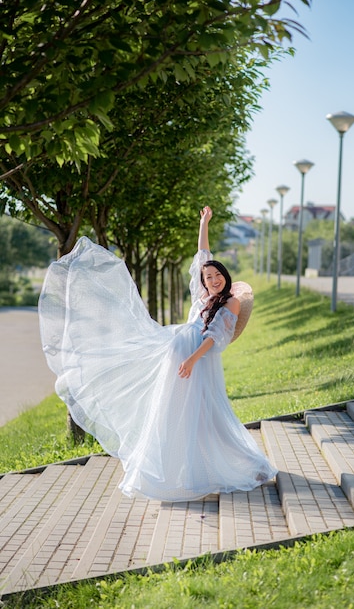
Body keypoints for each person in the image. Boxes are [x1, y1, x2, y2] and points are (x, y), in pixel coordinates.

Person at [39, 206, 277, 502]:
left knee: (203, 414)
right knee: (170, 411)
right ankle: (168, 473)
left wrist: (191, 360)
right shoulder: (203, 296)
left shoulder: (230, 303)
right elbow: (203, 255)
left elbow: (215, 337)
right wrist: (204, 223)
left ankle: (240, 465)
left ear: (226, 277)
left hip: (196, 362)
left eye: (218, 275)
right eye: (209, 277)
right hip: (177, 355)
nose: (213, 279)